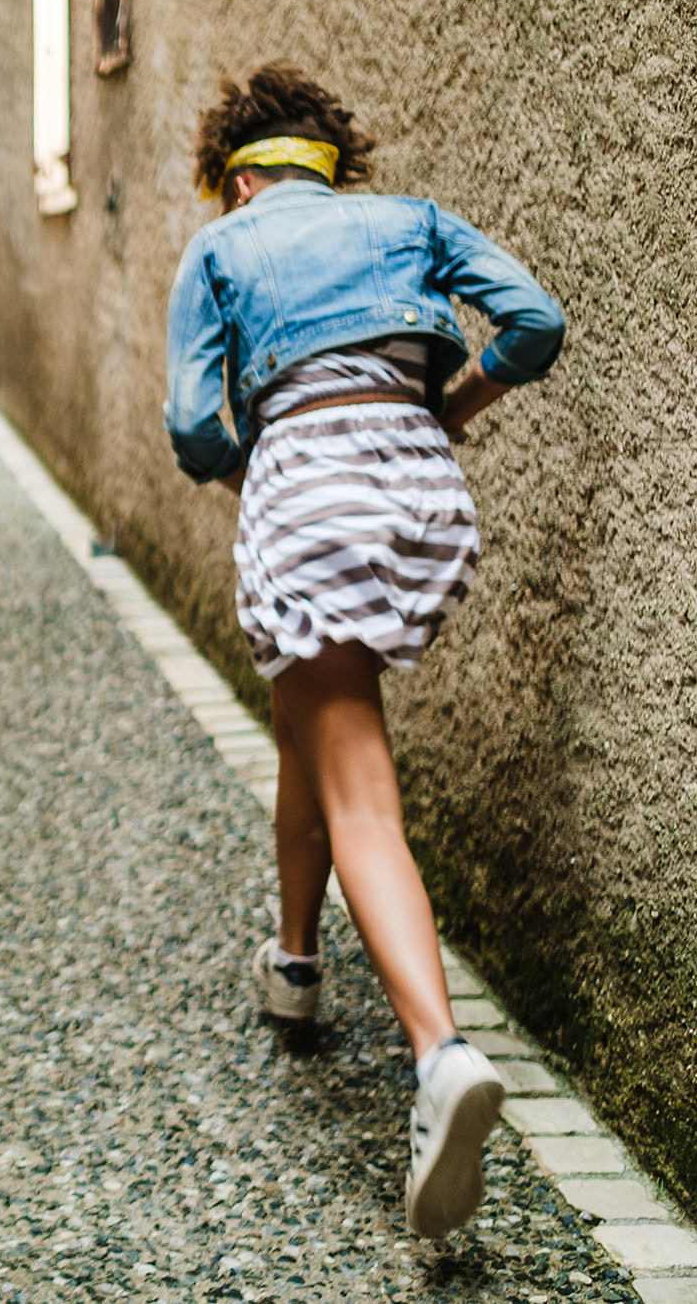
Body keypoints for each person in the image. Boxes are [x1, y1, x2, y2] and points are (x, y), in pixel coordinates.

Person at [163, 63, 565, 1237]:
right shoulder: (410, 223)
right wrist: (451, 408)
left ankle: (438, 1057)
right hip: (421, 488)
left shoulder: (224, 246)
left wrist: (267, 477)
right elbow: (533, 324)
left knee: (358, 786)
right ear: (328, 166)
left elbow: (194, 427)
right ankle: (292, 963)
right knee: (310, 710)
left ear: (239, 180)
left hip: (313, 486)